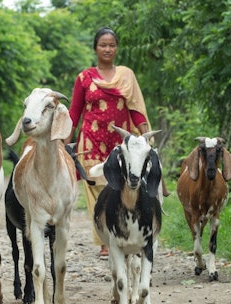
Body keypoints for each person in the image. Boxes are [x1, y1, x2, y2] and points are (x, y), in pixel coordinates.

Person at [65, 27, 169, 257]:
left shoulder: (126, 76)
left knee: (121, 186)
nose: (107, 49)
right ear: (95, 48)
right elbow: (75, 112)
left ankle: (128, 232)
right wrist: (66, 143)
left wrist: (145, 137)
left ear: (117, 48)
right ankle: (105, 238)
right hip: (91, 141)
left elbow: (136, 110)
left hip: (122, 144)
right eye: (103, 45)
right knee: (98, 188)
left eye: (112, 45)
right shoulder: (84, 78)